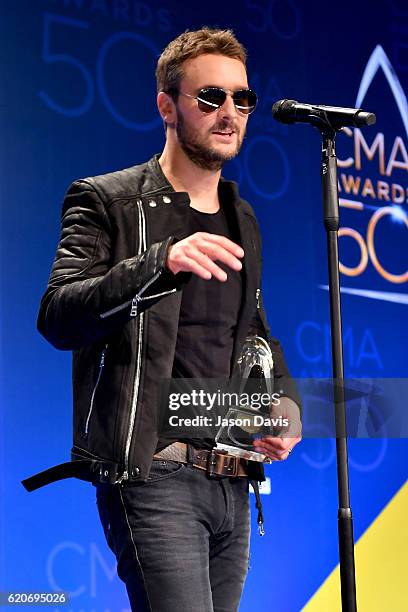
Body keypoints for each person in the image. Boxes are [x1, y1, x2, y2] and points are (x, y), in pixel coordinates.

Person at [23, 28, 301, 612]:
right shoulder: (106, 200)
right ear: (167, 105)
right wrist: (159, 264)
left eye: (241, 99)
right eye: (210, 98)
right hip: (153, 476)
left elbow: (254, 329)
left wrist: (284, 399)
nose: (230, 113)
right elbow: (58, 316)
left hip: (233, 477)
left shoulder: (241, 215)